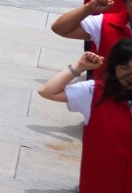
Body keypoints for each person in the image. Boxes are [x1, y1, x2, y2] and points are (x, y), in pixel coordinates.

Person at [37, 42, 132, 193]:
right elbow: (47, 91)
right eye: (124, 68)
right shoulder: (94, 92)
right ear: (113, 67)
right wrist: (79, 67)